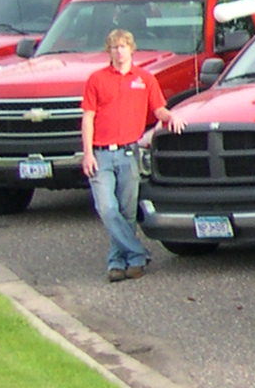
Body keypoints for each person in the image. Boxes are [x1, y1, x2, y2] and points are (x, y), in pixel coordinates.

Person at [79, 28, 185, 283]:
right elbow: (88, 117)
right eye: (114, 47)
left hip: (129, 152)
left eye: (123, 46)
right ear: (109, 51)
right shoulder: (96, 79)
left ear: (131, 49)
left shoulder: (145, 79)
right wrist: (87, 153)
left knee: (127, 211)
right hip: (102, 154)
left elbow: (159, 109)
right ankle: (138, 253)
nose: (119, 51)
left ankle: (120, 263)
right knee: (107, 208)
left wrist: (173, 116)